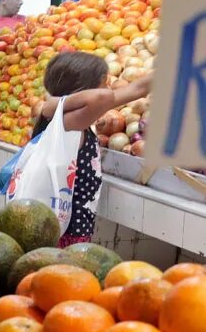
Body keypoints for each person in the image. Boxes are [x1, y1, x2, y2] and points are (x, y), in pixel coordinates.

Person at [28, 52, 151, 247]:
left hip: (59, 226)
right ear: (85, 91)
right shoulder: (71, 124)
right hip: (66, 233)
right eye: (105, 82)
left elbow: (138, 88)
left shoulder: (57, 116)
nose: (109, 89)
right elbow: (103, 97)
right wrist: (56, 103)